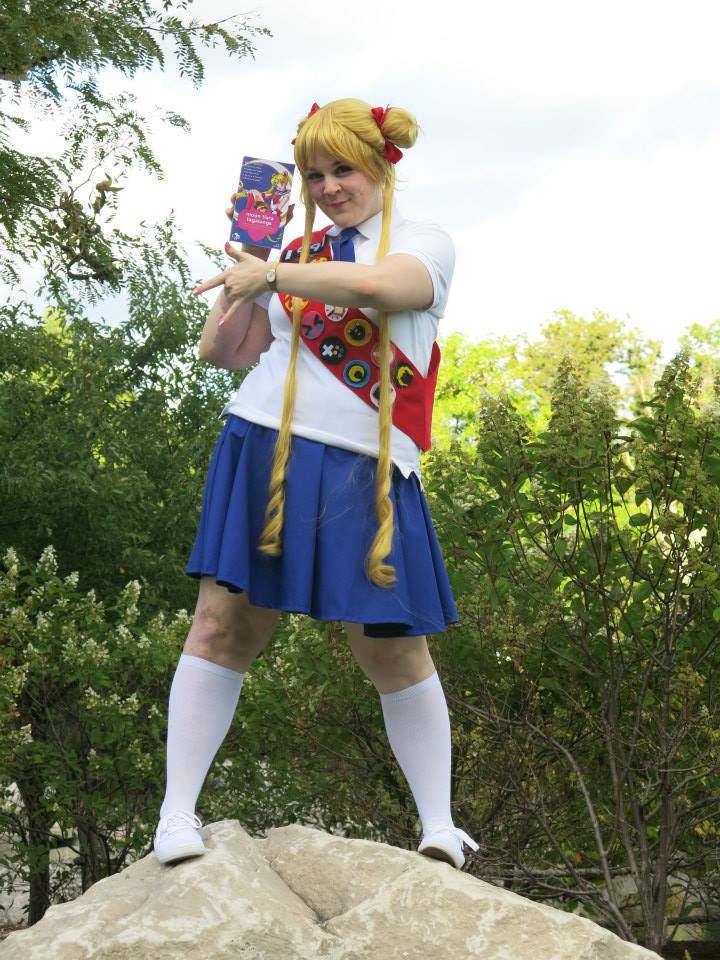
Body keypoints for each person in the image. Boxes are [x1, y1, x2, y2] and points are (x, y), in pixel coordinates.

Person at [153, 98, 478, 870]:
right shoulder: (295, 254)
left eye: (343, 170)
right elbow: (224, 353)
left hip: (366, 466)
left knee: (392, 646)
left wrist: (275, 270)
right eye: (315, 175)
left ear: (381, 166)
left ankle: (439, 827)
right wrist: (247, 269)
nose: (330, 187)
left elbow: (386, 288)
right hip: (264, 442)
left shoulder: (423, 241)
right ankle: (175, 815)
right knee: (221, 628)